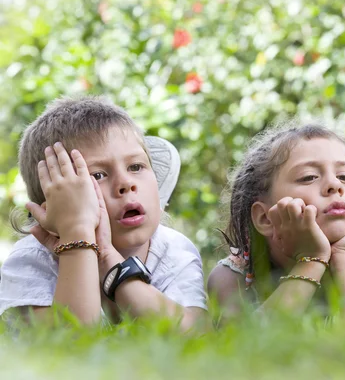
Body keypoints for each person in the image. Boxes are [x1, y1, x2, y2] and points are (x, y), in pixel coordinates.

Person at [0, 96, 207, 331]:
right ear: (53, 210)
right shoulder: (31, 259)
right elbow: (71, 346)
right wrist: (78, 234)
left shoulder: (173, 249)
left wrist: (110, 262)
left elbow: (196, 335)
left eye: (136, 167)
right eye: (97, 175)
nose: (126, 183)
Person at [208, 122, 345, 327]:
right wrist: (312, 260)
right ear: (265, 218)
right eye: (309, 177)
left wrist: (343, 256)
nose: (334, 185)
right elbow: (245, 345)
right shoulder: (233, 277)